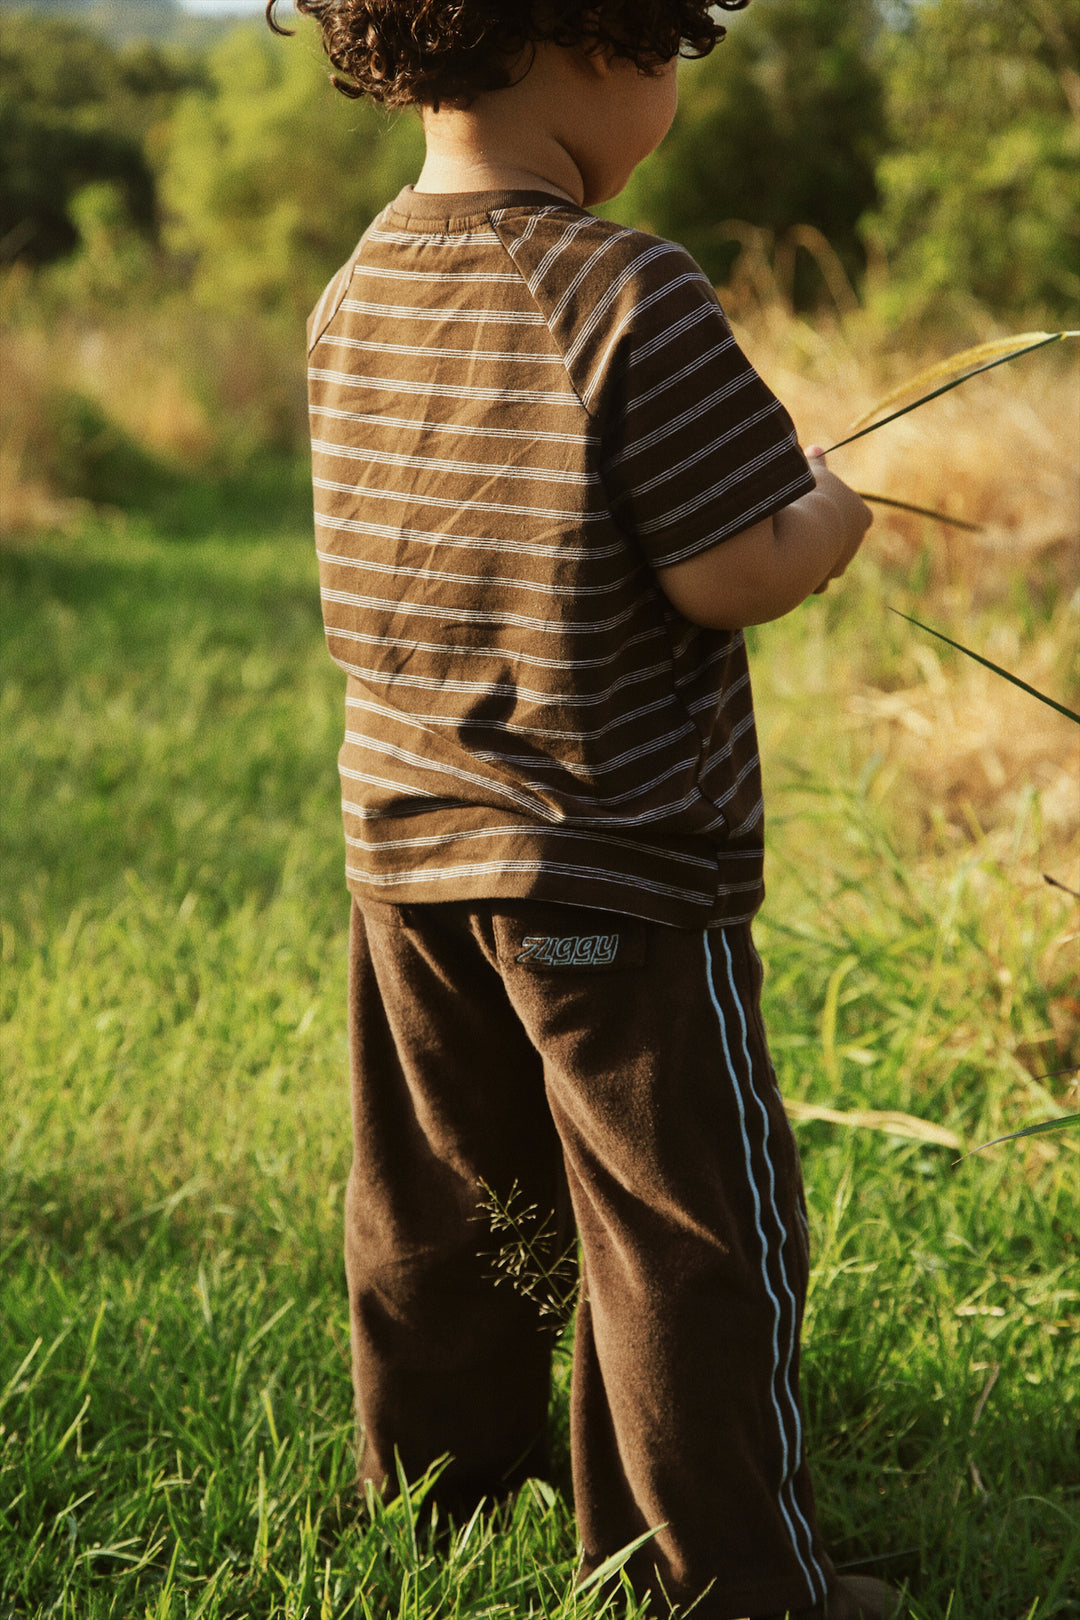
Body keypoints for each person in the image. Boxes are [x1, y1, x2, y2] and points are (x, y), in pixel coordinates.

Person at [268, 2, 900, 1615]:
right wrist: (831, 509)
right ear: (599, 44)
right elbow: (732, 566)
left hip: (407, 855)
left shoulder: (358, 288)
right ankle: (724, 1579)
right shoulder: (625, 287)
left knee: (447, 1198)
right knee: (684, 1230)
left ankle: (441, 1501)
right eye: (673, 50)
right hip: (609, 866)